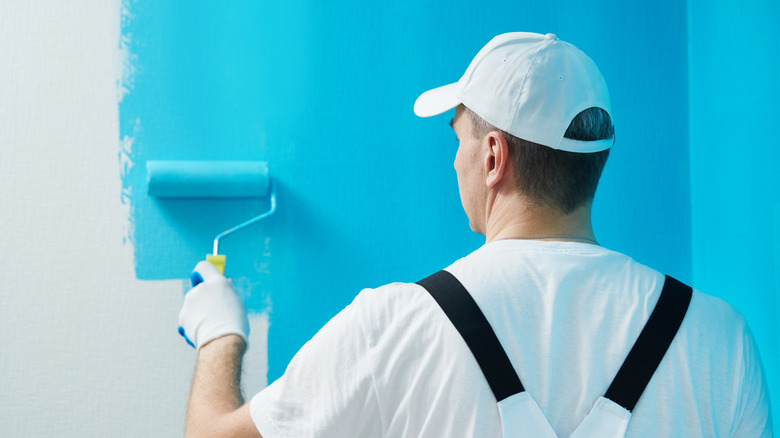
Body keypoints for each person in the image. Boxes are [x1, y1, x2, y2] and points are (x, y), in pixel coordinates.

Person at [176, 32, 773, 437]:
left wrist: (221, 333)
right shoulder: (720, 339)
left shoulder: (394, 325)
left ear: (493, 156)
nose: (453, 161)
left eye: (457, 137)